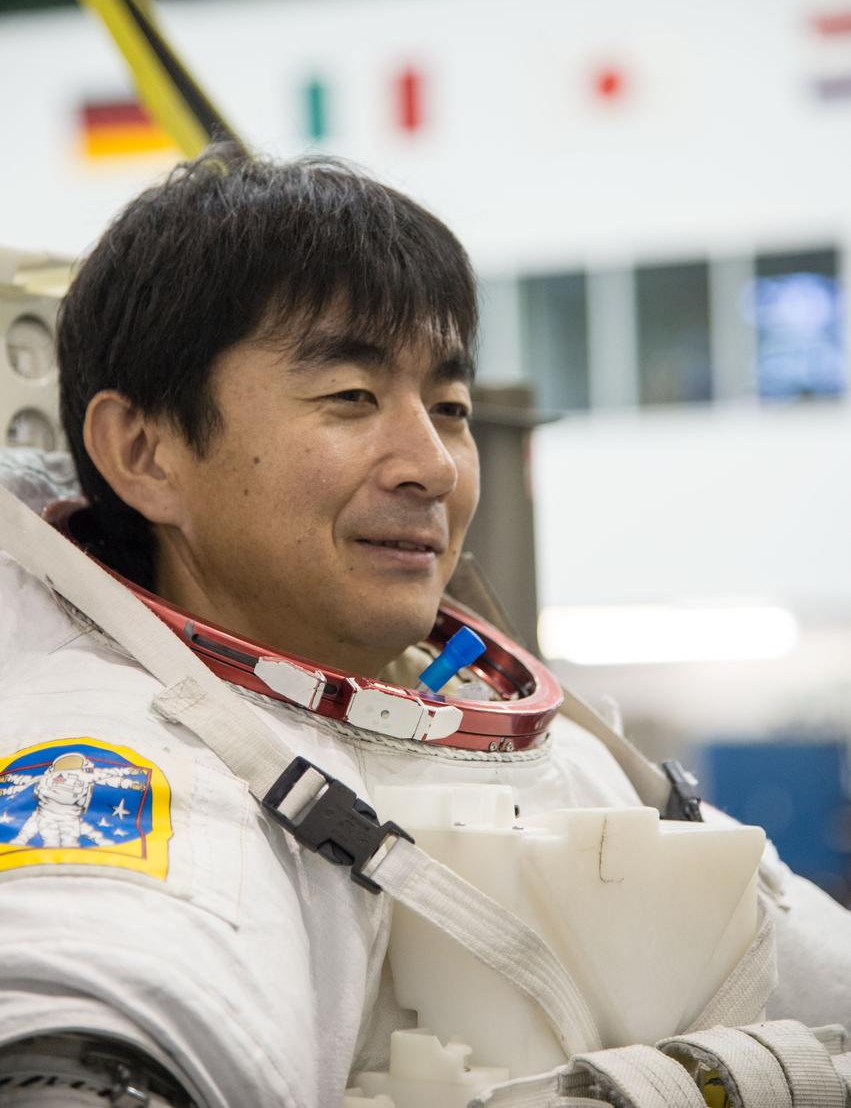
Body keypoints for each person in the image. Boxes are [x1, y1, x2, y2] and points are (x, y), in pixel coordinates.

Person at [0, 146, 850, 1108]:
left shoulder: (542, 749)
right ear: (144, 451)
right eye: (350, 398)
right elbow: (84, 1021)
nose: (434, 465)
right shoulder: (115, 754)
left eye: (448, 407)